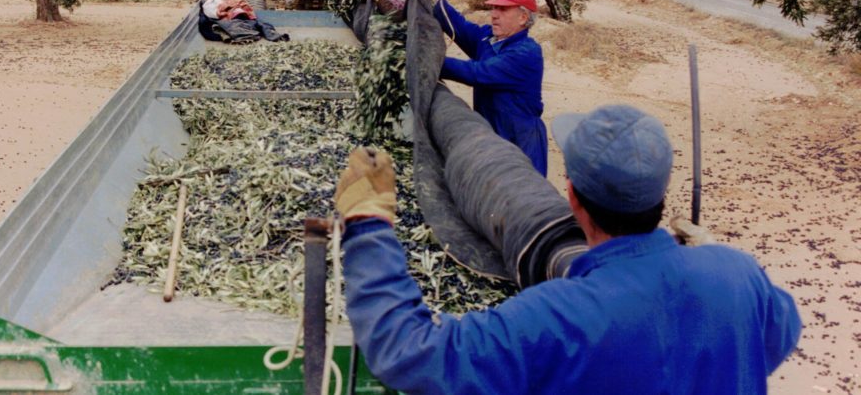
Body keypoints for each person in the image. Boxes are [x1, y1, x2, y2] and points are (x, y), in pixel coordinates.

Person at [335, 104, 801, 395]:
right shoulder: (737, 274)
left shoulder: (553, 318)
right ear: (660, 197)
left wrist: (367, 224)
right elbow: (779, 335)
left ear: (571, 196)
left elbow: (408, 351)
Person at [426, 0, 549, 176]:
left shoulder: (526, 53)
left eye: (503, 10)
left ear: (522, 17)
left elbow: (476, 73)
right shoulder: (489, 39)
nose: (493, 15)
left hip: (519, 140)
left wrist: (427, 60)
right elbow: (460, 27)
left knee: (517, 197)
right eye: (494, 8)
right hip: (491, 134)